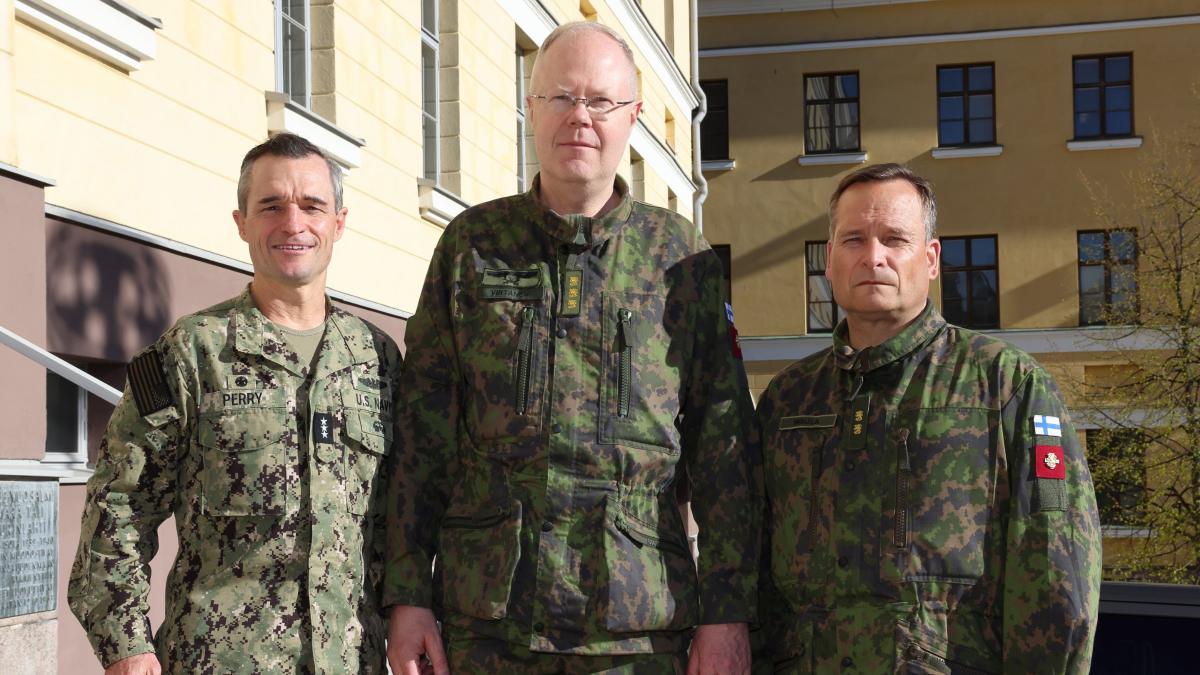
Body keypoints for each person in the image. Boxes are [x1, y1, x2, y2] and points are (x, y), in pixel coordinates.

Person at [384, 20, 760, 675]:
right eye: (560, 97)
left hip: (636, 635)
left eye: (601, 100)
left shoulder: (683, 260)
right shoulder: (471, 248)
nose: (579, 117)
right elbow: (423, 436)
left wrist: (726, 612)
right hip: (492, 628)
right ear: (530, 107)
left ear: (633, 117)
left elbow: (723, 449)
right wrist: (408, 595)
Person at [68, 133, 401, 675]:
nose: (293, 223)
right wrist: (126, 644)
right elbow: (120, 504)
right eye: (271, 205)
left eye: (312, 205)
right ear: (242, 222)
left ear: (338, 223)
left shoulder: (377, 359)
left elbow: (402, 521)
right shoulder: (192, 352)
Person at [753, 163, 1102, 673]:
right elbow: (754, 571)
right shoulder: (789, 401)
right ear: (828, 260)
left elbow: (1056, 572)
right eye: (853, 240)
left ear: (931, 258)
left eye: (895, 239)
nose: (873, 257)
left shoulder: (1004, 385)